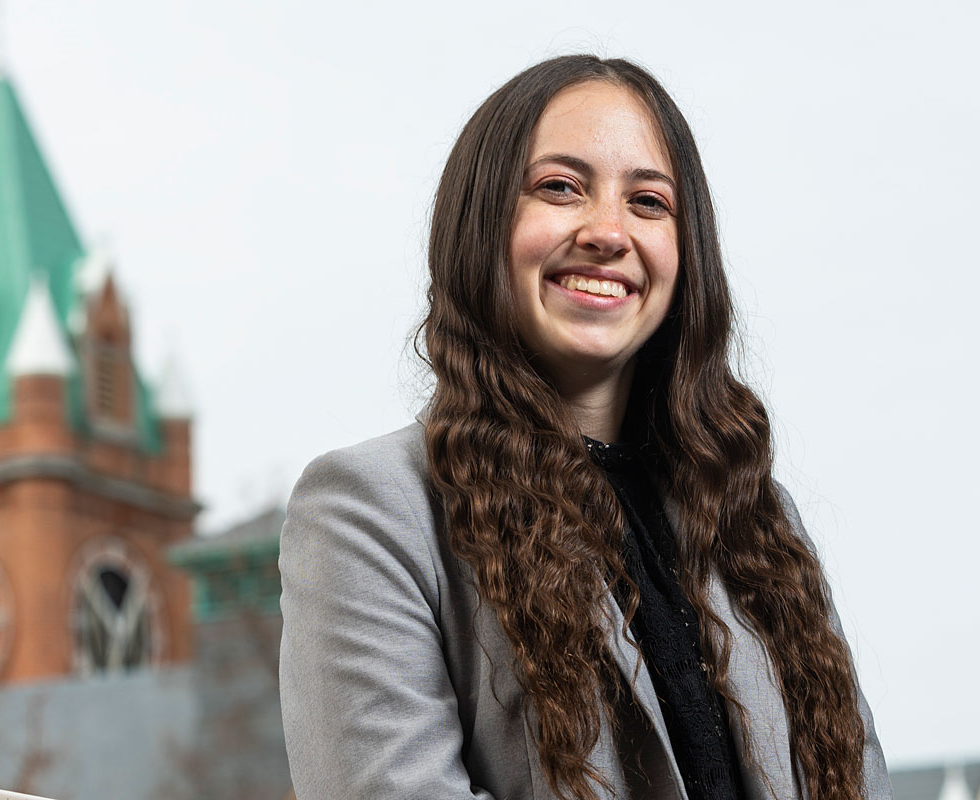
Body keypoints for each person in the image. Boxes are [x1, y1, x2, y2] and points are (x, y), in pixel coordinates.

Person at [278, 55, 892, 800]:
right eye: (560, 188)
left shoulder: (754, 516)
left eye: (649, 202)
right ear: (480, 225)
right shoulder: (369, 513)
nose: (609, 231)